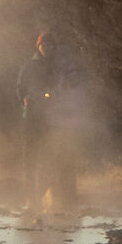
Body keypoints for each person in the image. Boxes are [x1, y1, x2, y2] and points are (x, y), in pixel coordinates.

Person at [14, 30, 81, 221]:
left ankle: (54, 197)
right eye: (44, 45)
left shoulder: (59, 66)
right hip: (33, 118)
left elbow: (69, 87)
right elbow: (20, 89)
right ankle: (31, 198)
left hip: (54, 119)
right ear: (38, 46)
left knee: (54, 156)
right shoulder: (29, 66)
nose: (47, 48)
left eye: (50, 45)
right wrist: (27, 98)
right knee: (31, 160)